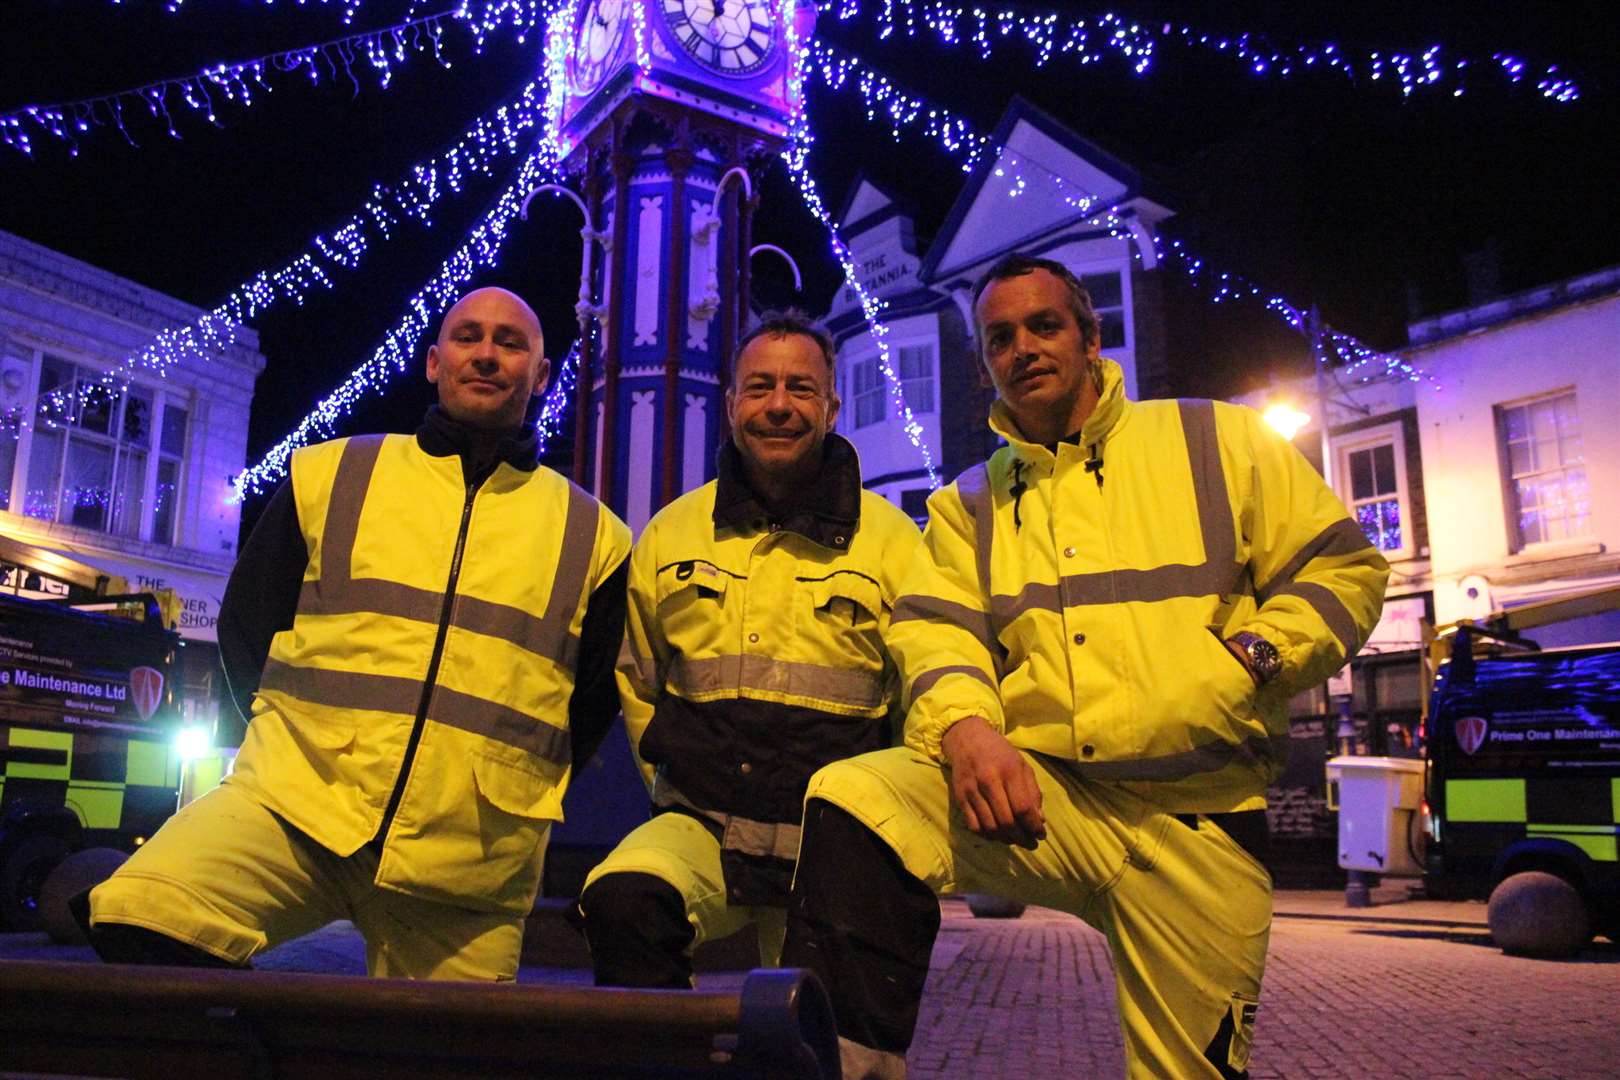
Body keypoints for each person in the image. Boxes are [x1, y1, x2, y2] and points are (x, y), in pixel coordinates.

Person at [780, 255, 1390, 1078]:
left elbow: (1343, 571)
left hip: (1201, 823)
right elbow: (936, 634)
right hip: (1049, 804)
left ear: (1092, 339)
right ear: (985, 362)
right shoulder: (966, 506)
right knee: (858, 798)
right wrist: (967, 731)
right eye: (1000, 338)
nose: (1023, 348)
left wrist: (1254, 656)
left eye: (1044, 326)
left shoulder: (1220, 440)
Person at [78, 287, 631, 980]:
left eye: (511, 342)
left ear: (542, 375)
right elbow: (247, 624)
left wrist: (509, 782)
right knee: (140, 911)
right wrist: (287, 739)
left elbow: (590, 704)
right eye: (468, 337)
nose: (487, 354)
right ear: (433, 361)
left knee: (443, 1061)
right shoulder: (333, 473)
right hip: (295, 811)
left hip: (471, 857)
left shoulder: (595, 535)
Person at [579, 310, 922, 988]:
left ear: (831, 406)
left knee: (828, 1040)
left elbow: (920, 699)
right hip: (703, 826)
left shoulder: (896, 544)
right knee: (621, 902)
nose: (779, 406)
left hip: (840, 844)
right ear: (732, 403)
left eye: (800, 388)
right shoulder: (673, 534)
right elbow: (639, 682)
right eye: (760, 387)